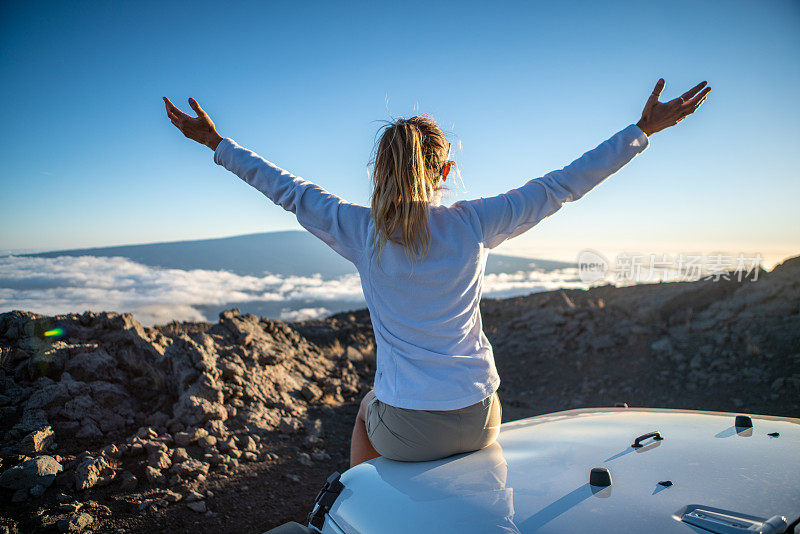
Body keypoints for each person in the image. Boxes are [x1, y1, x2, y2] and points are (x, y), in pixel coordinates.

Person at [163, 78, 710, 467]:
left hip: (407, 426)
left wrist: (218, 143)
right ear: (445, 170)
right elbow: (559, 186)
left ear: (380, 171)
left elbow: (287, 190)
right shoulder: (474, 223)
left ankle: (361, 511)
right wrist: (642, 130)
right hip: (480, 415)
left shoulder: (360, 230)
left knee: (362, 414)